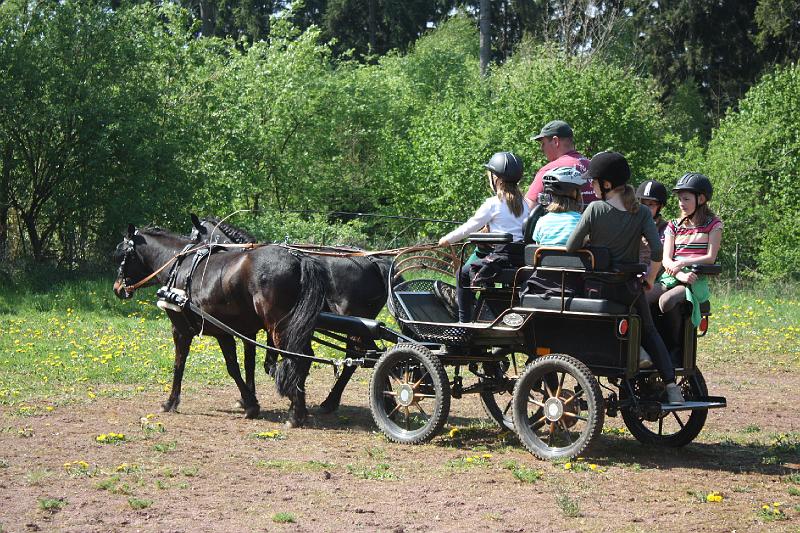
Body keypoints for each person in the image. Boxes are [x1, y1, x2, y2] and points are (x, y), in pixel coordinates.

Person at [565, 151, 684, 404]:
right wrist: (650, 278)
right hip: (629, 288)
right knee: (649, 329)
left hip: (600, 289)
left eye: (593, 181)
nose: (591, 185)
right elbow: (657, 251)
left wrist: (589, 241)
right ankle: (672, 386)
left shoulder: (595, 209)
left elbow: (570, 246)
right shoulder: (641, 212)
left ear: (606, 184)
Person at [438, 152, 530, 322]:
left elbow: (469, 227)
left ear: (496, 179)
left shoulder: (493, 203)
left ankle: (464, 322)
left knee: (462, 274)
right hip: (519, 258)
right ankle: (484, 312)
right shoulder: (524, 203)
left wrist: (446, 240)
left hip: (500, 259)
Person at [651, 173, 723, 348]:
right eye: (679, 199)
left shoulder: (713, 225)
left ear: (701, 199)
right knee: (639, 297)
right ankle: (647, 347)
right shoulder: (674, 225)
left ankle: (674, 349)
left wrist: (683, 265)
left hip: (694, 282)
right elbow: (666, 259)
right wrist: (679, 273)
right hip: (672, 277)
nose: (681, 203)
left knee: (667, 301)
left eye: (686, 199)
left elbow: (710, 258)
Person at [525, 120, 595, 209]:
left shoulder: (550, 170)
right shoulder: (594, 166)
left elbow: (528, 209)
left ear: (555, 141)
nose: (541, 148)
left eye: (543, 143)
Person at [531, 166, 586, 246]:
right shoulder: (582, 222)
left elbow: (537, 247)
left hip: (546, 258)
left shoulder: (542, 221)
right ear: (575, 193)